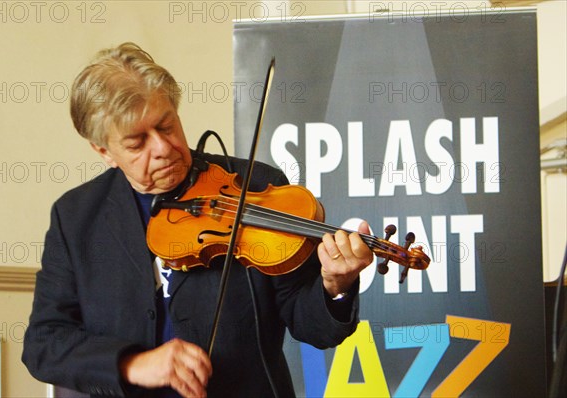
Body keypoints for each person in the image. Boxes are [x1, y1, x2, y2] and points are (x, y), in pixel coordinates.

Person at [22, 42, 373, 398]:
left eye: (166, 125)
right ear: (104, 151)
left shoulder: (257, 187)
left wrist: (335, 284)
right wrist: (134, 363)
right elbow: (44, 342)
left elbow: (314, 328)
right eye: (137, 142)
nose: (161, 148)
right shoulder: (76, 217)